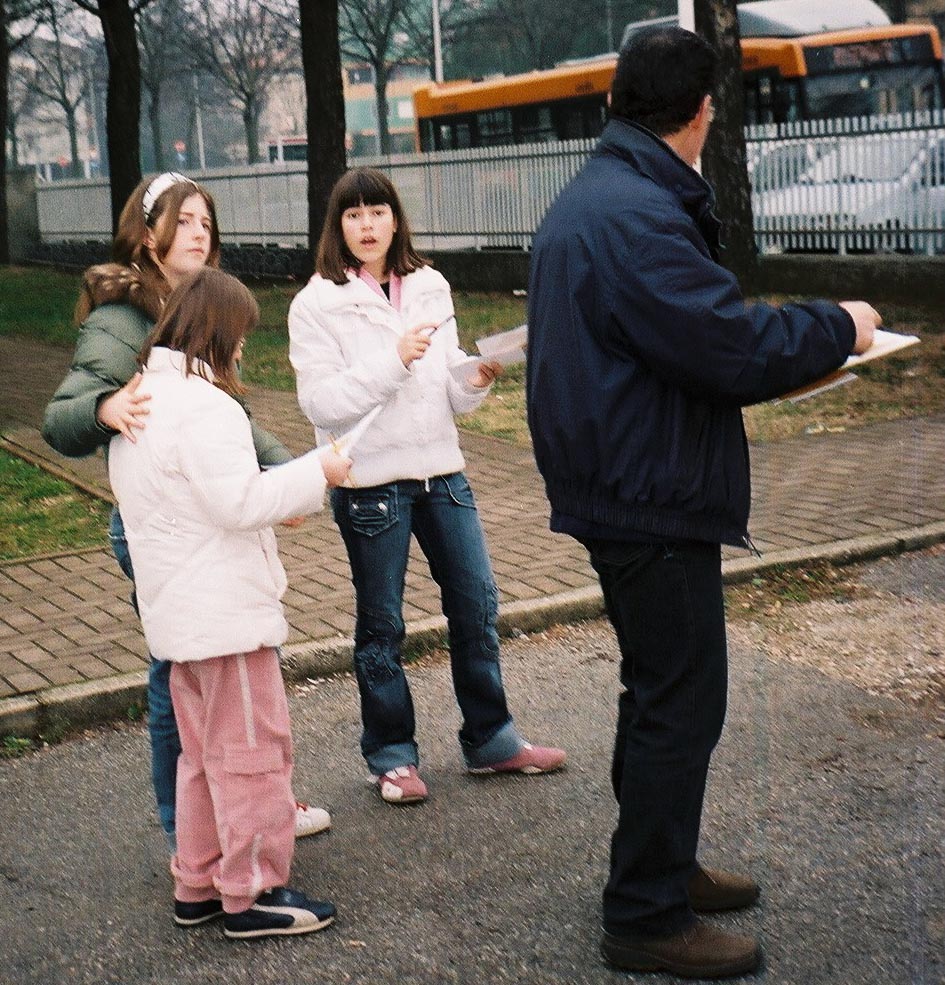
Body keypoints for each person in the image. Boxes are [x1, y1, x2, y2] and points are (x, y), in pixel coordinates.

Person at [525, 26, 881, 980]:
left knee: (658, 692)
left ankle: (663, 868)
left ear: (616, 103)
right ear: (699, 112)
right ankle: (645, 912)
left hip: (621, 482)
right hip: (647, 492)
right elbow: (728, 346)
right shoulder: (637, 213)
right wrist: (839, 325)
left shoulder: (600, 193)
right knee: (679, 703)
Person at [42, 171, 330, 849]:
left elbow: (226, 417)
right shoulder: (122, 319)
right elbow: (59, 419)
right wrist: (103, 407)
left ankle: (249, 808)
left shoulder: (201, 307)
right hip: (165, 528)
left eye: (207, 221)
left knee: (229, 675)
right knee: (181, 676)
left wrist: (283, 472)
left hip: (210, 514)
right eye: (185, 221)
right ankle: (191, 829)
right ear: (148, 237)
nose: (200, 232)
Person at [288, 167, 566, 805]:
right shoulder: (316, 303)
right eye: (354, 215)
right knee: (382, 625)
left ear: (396, 219)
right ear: (337, 226)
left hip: (442, 471)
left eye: (378, 213)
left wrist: (474, 377)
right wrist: (393, 360)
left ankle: (491, 739)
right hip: (370, 484)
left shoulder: (429, 284)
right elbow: (321, 404)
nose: (367, 226)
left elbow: (449, 390)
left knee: (477, 604)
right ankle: (391, 757)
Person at [108, 266, 351, 938]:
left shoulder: (139, 401)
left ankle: (198, 881)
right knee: (252, 755)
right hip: (226, 618)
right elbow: (238, 503)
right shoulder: (206, 406)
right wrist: (318, 472)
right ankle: (252, 890)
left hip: (179, 618)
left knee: (201, 759)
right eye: (240, 334)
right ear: (216, 331)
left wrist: (286, 486)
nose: (242, 348)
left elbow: (193, 500)